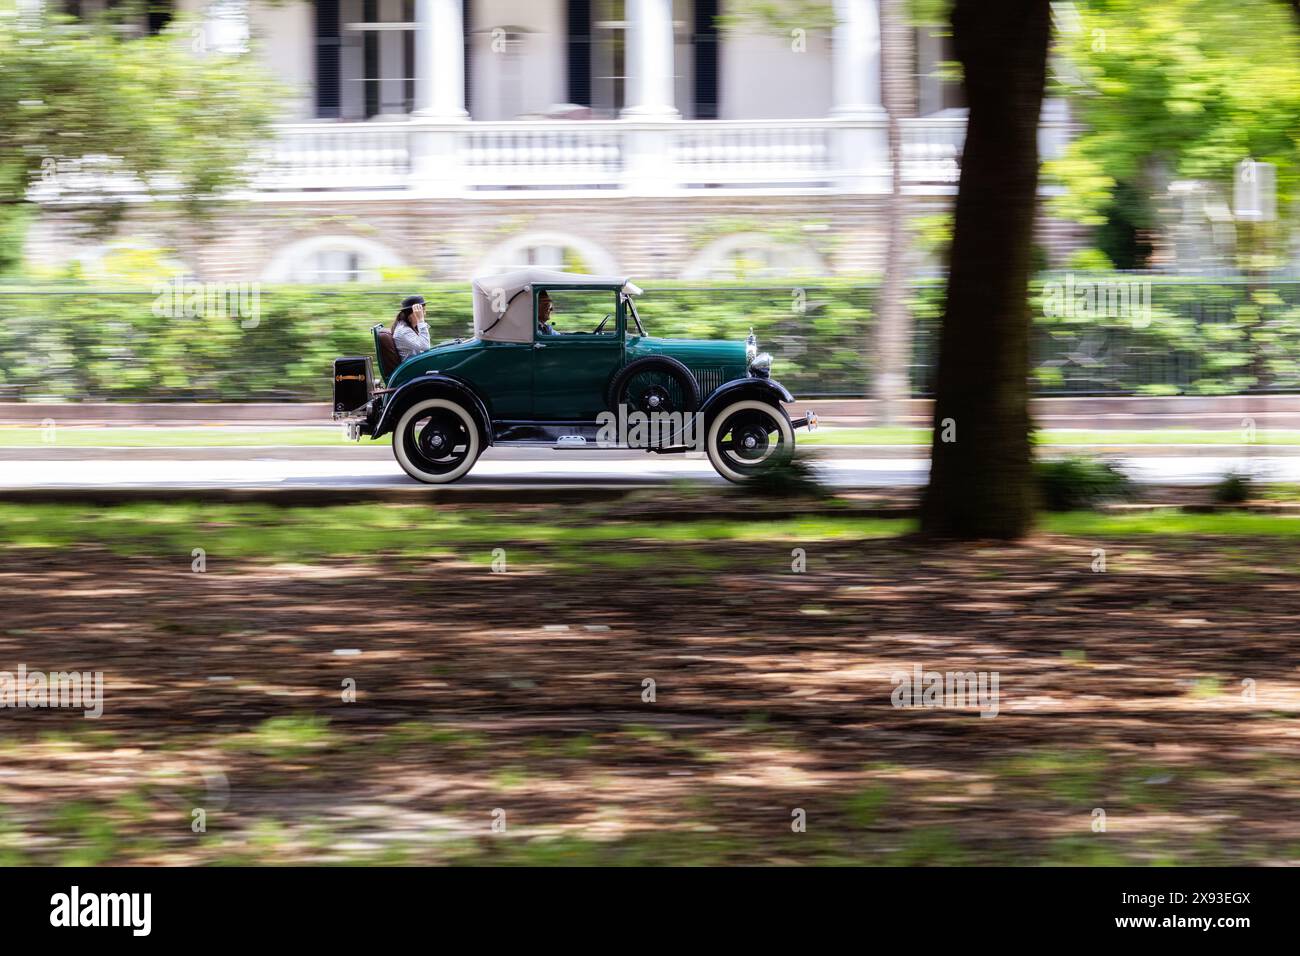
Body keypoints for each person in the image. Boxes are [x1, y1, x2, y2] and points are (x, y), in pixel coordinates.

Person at [392, 294, 430, 361]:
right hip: (412, 368)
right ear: (410, 314)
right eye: (421, 312)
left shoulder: (411, 327)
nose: (424, 314)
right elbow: (425, 346)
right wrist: (420, 320)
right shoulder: (403, 331)